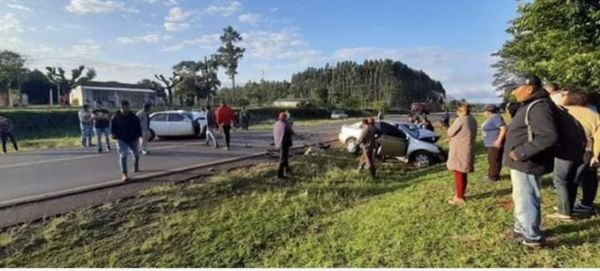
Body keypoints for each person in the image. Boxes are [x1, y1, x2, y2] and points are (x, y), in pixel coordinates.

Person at [504, 75, 559, 247]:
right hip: (523, 162)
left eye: (515, 88)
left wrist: (520, 152)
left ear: (529, 88)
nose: (513, 92)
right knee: (521, 197)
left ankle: (531, 237)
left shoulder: (538, 107)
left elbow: (548, 136)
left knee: (526, 198)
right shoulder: (530, 105)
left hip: (527, 162)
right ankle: (521, 229)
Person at [561, 89, 600, 216]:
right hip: (588, 150)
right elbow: (598, 137)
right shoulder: (593, 113)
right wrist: (596, 155)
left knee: (566, 179)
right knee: (589, 178)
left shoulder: (563, 110)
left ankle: (566, 207)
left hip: (567, 149)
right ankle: (586, 204)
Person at [446, 102, 477, 205]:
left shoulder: (460, 120)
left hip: (459, 150)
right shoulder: (472, 119)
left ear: (459, 111)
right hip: (467, 148)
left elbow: (450, 132)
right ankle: (460, 194)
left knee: (459, 173)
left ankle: (459, 198)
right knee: (463, 173)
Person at [111, 100, 142, 182]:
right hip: (121, 139)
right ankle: (124, 174)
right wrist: (114, 135)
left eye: (126, 107)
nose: (125, 109)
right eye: (123, 107)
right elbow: (112, 127)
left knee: (136, 154)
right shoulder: (116, 117)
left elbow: (138, 127)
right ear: (120, 108)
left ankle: (136, 164)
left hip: (133, 138)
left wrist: (138, 136)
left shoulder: (134, 117)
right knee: (123, 155)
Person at [481, 104, 507, 183]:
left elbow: (503, 128)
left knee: (494, 160)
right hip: (491, 143)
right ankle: (493, 174)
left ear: (489, 111)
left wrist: (498, 141)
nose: (483, 113)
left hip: (494, 143)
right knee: (492, 159)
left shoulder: (496, 117)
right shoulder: (492, 118)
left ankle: (493, 177)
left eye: (484, 111)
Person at [273, 112, 294, 179]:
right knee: (283, 158)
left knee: (285, 157)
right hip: (285, 143)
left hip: (279, 142)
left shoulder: (276, 124)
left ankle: (287, 170)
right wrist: (290, 125)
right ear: (285, 117)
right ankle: (279, 174)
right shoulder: (285, 124)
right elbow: (291, 132)